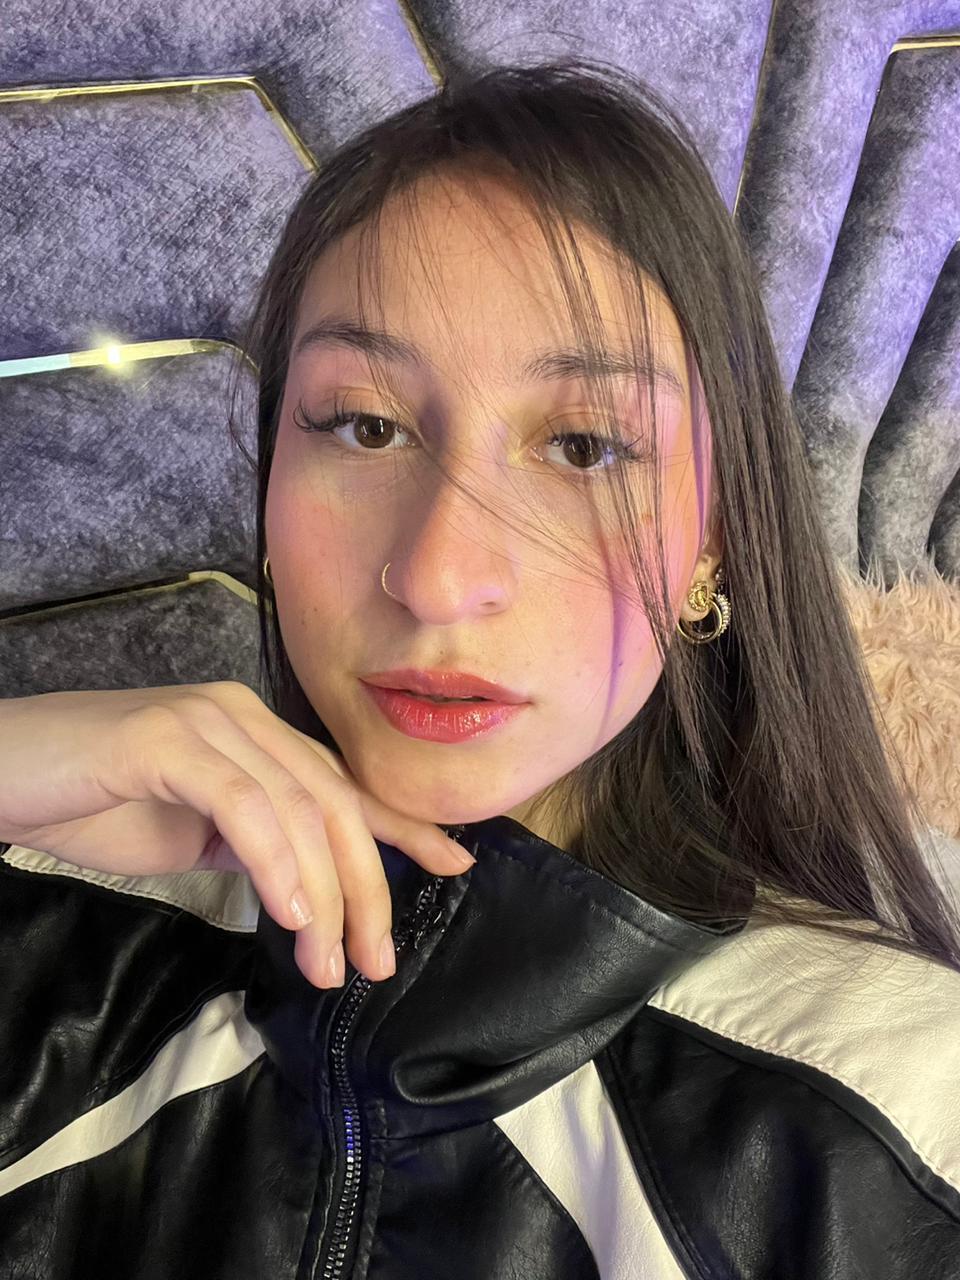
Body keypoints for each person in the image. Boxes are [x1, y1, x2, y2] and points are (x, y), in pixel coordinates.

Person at [1, 57, 958, 1279]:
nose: (439, 575)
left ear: (712, 543)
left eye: (584, 446)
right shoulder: (58, 917)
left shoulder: (905, 1120)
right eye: (366, 426)